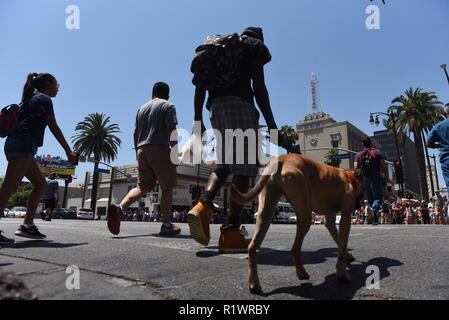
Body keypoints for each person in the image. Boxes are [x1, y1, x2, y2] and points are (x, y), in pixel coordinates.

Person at [188, 27, 289, 253]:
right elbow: (259, 88)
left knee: (225, 163)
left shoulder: (221, 51)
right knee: (244, 168)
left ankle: (203, 205)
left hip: (217, 108)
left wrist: (197, 118)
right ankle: (231, 231)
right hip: (239, 106)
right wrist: (273, 126)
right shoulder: (252, 47)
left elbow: (200, 87)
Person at [0, 73, 77, 243]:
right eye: (56, 84)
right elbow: (53, 125)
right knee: (9, 186)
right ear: (48, 84)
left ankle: (27, 226)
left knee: (41, 183)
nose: (57, 89)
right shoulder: (43, 99)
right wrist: (68, 152)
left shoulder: (30, 99)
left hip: (19, 145)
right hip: (23, 145)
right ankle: (26, 225)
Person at [107, 82, 181, 236]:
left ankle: (120, 208)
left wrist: (137, 152)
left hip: (141, 149)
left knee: (142, 186)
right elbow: (171, 130)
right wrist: (175, 153)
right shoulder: (168, 105)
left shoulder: (141, 109)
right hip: (159, 148)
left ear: (152, 93)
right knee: (166, 187)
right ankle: (166, 224)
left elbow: (135, 133)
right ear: (167, 95)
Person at [354, 137, 393, 226]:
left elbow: (356, 168)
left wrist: (358, 180)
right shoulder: (377, 152)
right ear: (371, 144)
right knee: (378, 198)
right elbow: (384, 166)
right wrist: (386, 178)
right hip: (376, 177)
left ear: (362, 145)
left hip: (365, 179)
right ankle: (373, 211)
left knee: (370, 198)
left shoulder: (359, 155)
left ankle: (374, 217)